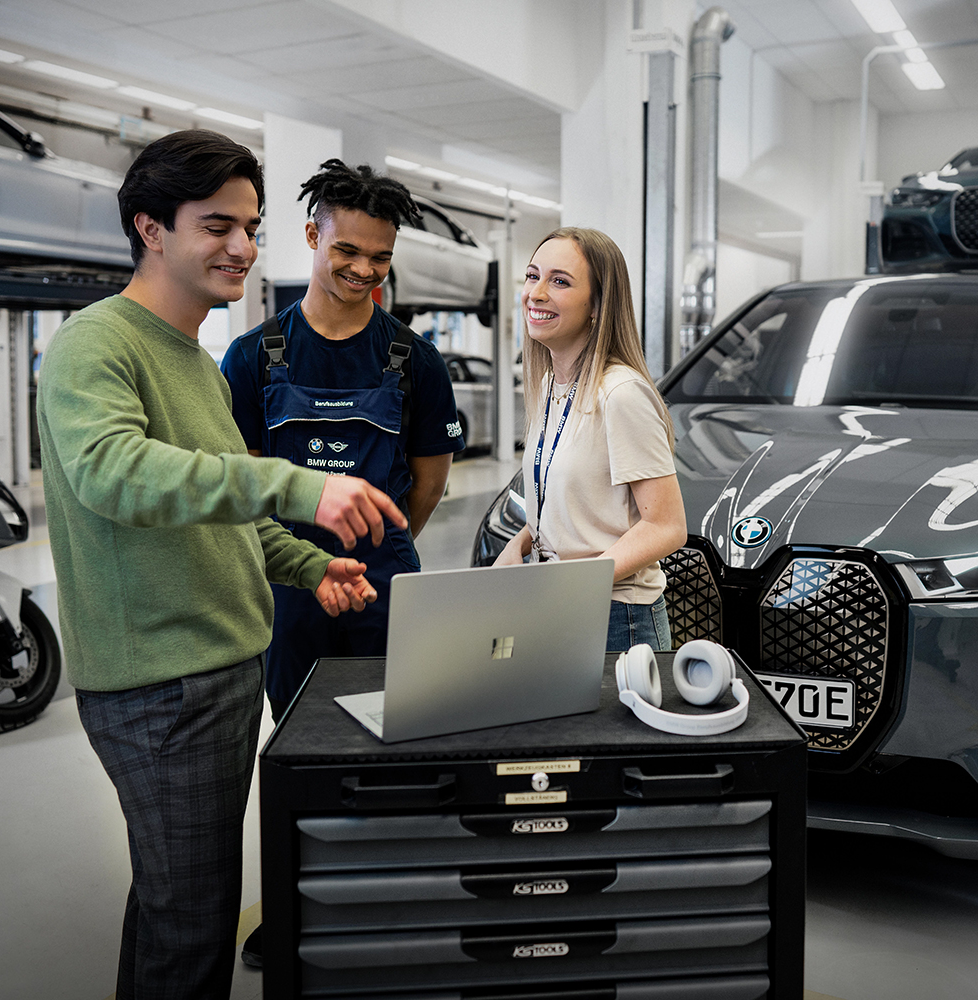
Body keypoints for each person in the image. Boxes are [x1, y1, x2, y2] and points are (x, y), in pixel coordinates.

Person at [35, 129, 407, 1000]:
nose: (242, 247)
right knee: (193, 922)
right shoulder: (99, 344)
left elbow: (220, 514)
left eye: (251, 226)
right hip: (162, 682)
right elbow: (115, 473)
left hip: (218, 666)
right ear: (150, 228)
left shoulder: (197, 365)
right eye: (217, 226)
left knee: (177, 903)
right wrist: (296, 485)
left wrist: (306, 566)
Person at [220, 157, 463, 967]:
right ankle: (294, 904)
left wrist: (380, 548)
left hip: (389, 584)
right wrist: (305, 557)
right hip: (288, 588)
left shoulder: (415, 361)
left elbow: (427, 485)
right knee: (297, 750)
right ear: (313, 234)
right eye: (347, 250)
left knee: (400, 742)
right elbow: (243, 485)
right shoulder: (254, 358)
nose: (362, 269)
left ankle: (392, 899)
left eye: (380, 256)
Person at [494, 227, 687, 652]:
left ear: (597, 305)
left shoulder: (620, 394)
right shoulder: (550, 386)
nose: (536, 293)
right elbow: (570, 506)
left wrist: (573, 585)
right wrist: (519, 542)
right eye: (532, 276)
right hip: (560, 601)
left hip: (616, 616)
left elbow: (667, 527)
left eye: (559, 281)